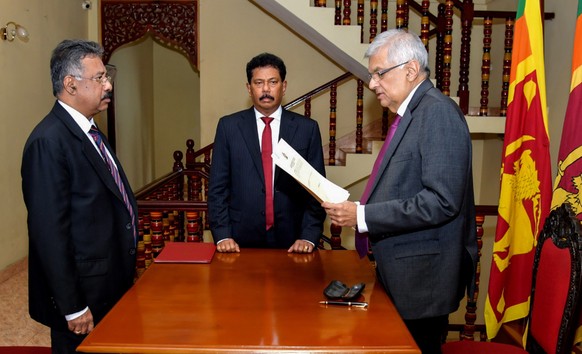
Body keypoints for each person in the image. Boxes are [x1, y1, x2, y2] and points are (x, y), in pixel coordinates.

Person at [322, 29, 478, 354]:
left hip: (423, 281)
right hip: (404, 273)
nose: (372, 83)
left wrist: (362, 215)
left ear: (409, 70)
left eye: (378, 73)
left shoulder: (437, 113)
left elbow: (442, 201)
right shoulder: (412, 115)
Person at [21, 39, 137, 353]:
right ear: (71, 84)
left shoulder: (90, 132)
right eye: (99, 78)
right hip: (83, 296)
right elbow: (49, 233)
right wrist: (72, 305)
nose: (108, 84)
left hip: (109, 286)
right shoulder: (49, 141)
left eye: (106, 75)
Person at [208, 52, 326, 253]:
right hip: (238, 239)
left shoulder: (307, 129)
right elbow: (218, 188)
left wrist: (308, 236)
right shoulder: (228, 127)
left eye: (273, 82)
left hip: (293, 239)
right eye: (258, 83)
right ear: (249, 88)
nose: (265, 89)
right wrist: (223, 235)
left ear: (284, 86)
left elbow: (316, 190)